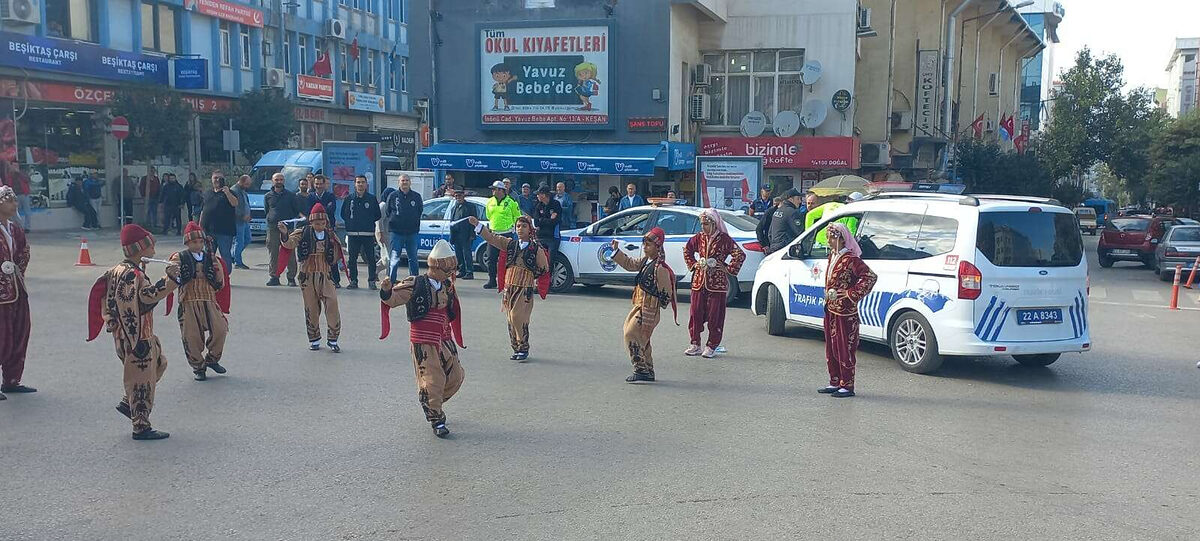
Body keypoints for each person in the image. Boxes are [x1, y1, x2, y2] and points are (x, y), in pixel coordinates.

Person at [85, 224, 178, 440]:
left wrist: (110, 320)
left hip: (126, 334)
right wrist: (171, 280)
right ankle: (141, 425)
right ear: (140, 249)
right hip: (136, 335)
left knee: (158, 364)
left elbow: (106, 299)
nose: (154, 248)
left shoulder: (117, 271)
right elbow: (148, 297)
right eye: (150, 244)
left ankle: (129, 403)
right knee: (142, 379)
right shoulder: (133, 275)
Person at [378, 240, 467, 438]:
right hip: (424, 341)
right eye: (448, 269)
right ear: (436, 267)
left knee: (456, 376)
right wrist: (386, 290)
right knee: (432, 380)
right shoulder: (415, 284)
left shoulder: (448, 286)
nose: (450, 273)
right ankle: (436, 418)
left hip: (444, 338)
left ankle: (430, 401)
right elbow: (393, 299)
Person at [469, 215, 549, 361]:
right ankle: (517, 348)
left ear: (530, 229)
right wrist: (478, 225)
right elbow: (492, 238)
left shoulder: (536, 249)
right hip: (509, 287)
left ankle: (523, 346)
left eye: (524, 226)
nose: (520, 229)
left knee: (518, 317)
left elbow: (544, 268)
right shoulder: (510, 244)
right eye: (518, 226)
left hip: (524, 288)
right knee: (511, 320)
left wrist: (530, 275)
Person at [608, 227, 677, 383]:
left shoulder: (660, 268)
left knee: (631, 334)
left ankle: (640, 369)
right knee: (641, 339)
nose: (645, 248)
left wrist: (656, 305)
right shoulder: (646, 261)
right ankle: (648, 369)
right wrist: (616, 252)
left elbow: (666, 293)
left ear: (657, 247)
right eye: (644, 244)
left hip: (648, 309)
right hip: (639, 306)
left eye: (649, 245)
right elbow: (630, 264)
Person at [819, 222, 877, 398]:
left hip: (845, 311)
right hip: (831, 308)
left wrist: (851, 293)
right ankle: (835, 380)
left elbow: (870, 277)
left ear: (841, 239)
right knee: (831, 347)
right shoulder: (833, 256)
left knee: (845, 347)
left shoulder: (851, 259)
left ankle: (847, 384)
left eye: (831, 237)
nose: (828, 240)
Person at [277, 203, 344, 352]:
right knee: (311, 308)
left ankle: (333, 339)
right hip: (307, 275)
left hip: (325, 275)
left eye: (322, 223)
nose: (320, 226)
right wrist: (284, 233)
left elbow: (338, 254)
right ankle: (314, 339)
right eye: (317, 223)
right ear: (311, 222)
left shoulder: (330, 235)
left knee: (332, 304)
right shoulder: (302, 233)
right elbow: (288, 244)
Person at [167, 222, 230, 381]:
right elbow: (172, 272)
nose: (198, 245)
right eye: (194, 242)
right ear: (187, 243)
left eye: (200, 242)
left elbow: (220, 282)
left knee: (221, 329)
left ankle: (212, 359)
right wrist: (173, 272)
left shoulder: (212, 258)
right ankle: (198, 367)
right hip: (189, 300)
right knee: (191, 337)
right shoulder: (178, 257)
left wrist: (217, 273)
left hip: (209, 299)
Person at [683, 208, 746, 358]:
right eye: (702, 224)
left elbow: (740, 255)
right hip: (699, 281)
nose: (703, 227)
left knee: (714, 316)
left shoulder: (724, 239)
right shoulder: (698, 238)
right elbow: (687, 250)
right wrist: (694, 264)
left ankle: (711, 345)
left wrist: (727, 268)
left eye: (706, 224)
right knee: (695, 313)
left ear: (714, 223)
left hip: (716, 284)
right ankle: (695, 343)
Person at [0, 186, 34, 400]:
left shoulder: (15, 229)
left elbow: (24, 251)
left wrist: (15, 271)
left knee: (20, 331)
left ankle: (12, 380)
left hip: (17, 289)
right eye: (9, 200)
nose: (15, 204)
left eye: (14, 200)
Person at [341, 175, 381, 289]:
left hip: (367, 234)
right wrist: (351, 223)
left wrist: (367, 222)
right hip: (353, 234)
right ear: (355, 184)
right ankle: (353, 281)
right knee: (352, 259)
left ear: (366, 184)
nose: (360, 184)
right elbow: (344, 214)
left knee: (371, 258)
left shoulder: (371, 199)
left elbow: (377, 215)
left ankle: (372, 281)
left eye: (362, 182)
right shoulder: (349, 199)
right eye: (358, 182)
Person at [483, 180, 522, 289]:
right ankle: (492, 280)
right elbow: (488, 216)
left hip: (507, 234)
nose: (492, 191)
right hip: (493, 234)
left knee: (507, 259)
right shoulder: (490, 202)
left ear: (501, 190)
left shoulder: (511, 202)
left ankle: (506, 280)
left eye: (494, 189)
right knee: (491, 258)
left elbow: (517, 217)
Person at [265, 173, 302, 287]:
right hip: (273, 228)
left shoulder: (291, 195)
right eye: (277, 179)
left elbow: (296, 210)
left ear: (284, 181)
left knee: (289, 253)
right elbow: (267, 210)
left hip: (288, 228)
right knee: (273, 252)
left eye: (281, 179)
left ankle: (291, 278)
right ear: (273, 181)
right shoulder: (268, 196)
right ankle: (274, 277)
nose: (279, 181)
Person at [386, 174, 423, 281]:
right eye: (402, 180)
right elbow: (388, 212)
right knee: (394, 258)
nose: (405, 182)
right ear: (399, 182)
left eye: (407, 180)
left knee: (413, 258)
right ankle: (391, 281)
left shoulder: (416, 196)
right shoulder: (393, 196)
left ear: (410, 182)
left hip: (412, 232)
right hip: (396, 232)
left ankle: (415, 281)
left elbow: (419, 211)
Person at [200, 171, 238, 265]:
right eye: (215, 178)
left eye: (219, 178)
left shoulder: (230, 192)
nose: (217, 180)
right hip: (208, 231)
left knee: (225, 255)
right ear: (212, 180)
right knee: (207, 255)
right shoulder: (207, 193)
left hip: (224, 232)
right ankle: (209, 276)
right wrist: (200, 226)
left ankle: (225, 277)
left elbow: (235, 203)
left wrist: (227, 192)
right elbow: (203, 210)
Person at [767, 189, 807, 254]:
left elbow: (770, 233)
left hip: (774, 247)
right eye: (798, 199)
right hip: (785, 248)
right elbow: (800, 232)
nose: (800, 201)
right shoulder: (792, 212)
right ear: (791, 199)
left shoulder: (778, 211)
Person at [448, 189, 476, 279]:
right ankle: (462, 270)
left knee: (466, 254)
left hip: (466, 234)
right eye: (456, 196)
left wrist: (472, 234)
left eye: (459, 196)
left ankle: (469, 272)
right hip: (456, 235)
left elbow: (473, 221)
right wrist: (451, 236)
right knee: (458, 254)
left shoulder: (470, 207)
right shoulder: (454, 208)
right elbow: (452, 222)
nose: (458, 198)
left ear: (463, 196)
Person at [532, 185, 562, 257]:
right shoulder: (538, 205)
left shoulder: (556, 204)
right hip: (540, 237)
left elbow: (556, 221)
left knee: (550, 260)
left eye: (538, 194)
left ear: (544, 195)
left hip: (552, 238)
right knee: (539, 260)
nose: (537, 196)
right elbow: (536, 223)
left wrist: (542, 220)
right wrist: (549, 219)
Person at [230, 174, 252, 269]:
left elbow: (246, 203)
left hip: (245, 220)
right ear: (242, 182)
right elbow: (235, 207)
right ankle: (238, 262)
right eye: (247, 184)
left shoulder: (243, 191)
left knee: (248, 239)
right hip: (238, 219)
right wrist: (242, 216)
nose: (248, 186)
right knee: (239, 241)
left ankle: (233, 255)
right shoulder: (235, 190)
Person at [376, 186, 395, 273]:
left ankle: (374, 271)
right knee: (388, 258)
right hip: (382, 233)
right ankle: (389, 277)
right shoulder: (383, 205)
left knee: (388, 256)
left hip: (389, 233)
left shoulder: (391, 205)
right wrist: (380, 234)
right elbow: (378, 221)